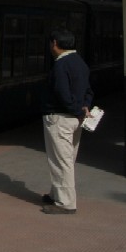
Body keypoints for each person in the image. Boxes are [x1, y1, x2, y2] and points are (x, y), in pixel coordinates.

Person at [40, 28, 93, 214]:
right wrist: (83, 108)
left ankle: (66, 203)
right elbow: (88, 91)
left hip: (60, 118)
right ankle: (56, 194)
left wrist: (74, 108)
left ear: (54, 43)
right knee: (67, 158)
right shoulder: (80, 63)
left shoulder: (60, 65)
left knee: (61, 161)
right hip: (75, 119)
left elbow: (62, 93)